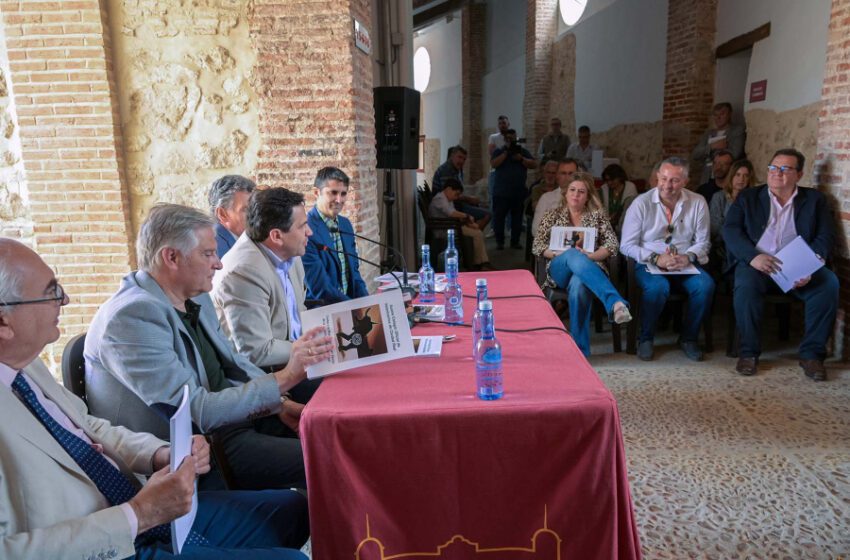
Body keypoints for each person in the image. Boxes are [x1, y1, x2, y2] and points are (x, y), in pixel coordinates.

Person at [0, 238, 310, 559]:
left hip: (135, 504)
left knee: (295, 509)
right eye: (51, 292)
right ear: (3, 321)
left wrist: (159, 453)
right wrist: (138, 514)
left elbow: (89, 428)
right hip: (101, 540)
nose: (64, 299)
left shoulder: (26, 365)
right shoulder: (134, 313)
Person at [85, 203, 334, 492]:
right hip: (201, 449)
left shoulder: (194, 295)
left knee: (333, 432)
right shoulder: (132, 317)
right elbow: (197, 411)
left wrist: (279, 403)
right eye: (208, 254)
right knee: (329, 458)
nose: (218, 263)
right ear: (172, 257)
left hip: (233, 420)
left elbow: (233, 363)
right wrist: (286, 377)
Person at [723, 149, 838, 380]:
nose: (777, 173)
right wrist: (753, 257)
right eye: (773, 168)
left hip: (797, 264)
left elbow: (825, 237)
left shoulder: (814, 200)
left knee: (828, 284)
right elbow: (731, 230)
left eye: (785, 169)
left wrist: (808, 266)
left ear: (799, 174)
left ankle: (812, 355)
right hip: (757, 264)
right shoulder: (749, 197)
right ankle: (749, 352)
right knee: (745, 286)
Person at [213, 187, 324, 411]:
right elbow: (256, 351)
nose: (310, 232)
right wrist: (313, 349)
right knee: (340, 395)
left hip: (292, 361)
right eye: (302, 226)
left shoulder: (291, 253)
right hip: (263, 378)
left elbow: (297, 313)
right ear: (276, 236)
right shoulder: (243, 271)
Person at [620, 156, 715, 362]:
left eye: (674, 180)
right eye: (663, 179)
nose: (667, 185)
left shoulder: (698, 202)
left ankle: (688, 338)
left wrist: (688, 256)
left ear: (685, 181)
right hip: (649, 262)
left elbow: (703, 242)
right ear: (657, 177)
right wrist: (656, 258)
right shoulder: (641, 203)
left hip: (684, 263)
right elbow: (626, 245)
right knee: (657, 287)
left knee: (705, 285)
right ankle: (646, 338)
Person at [532, 172, 631, 356]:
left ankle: (580, 351)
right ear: (566, 193)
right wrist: (556, 253)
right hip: (559, 268)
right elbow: (537, 246)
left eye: (581, 191)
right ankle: (615, 302)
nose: (576, 195)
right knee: (571, 253)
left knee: (579, 285)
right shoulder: (551, 215)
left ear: (588, 196)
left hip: (587, 270)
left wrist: (590, 256)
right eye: (572, 190)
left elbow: (612, 245)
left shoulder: (597, 216)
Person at [300, 167, 368, 305]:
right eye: (333, 192)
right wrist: (354, 308)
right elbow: (321, 288)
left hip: (349, 306)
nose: (339, 200)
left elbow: (354, 274)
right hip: (323, 309)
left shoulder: (345, 224)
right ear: (316, 193)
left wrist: (369, 304)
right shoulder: (306, 230)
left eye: (343, 194)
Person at [429, 178, 491, 269]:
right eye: (456, 194)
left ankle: (481, 262)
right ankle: (479, 263)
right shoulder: (440, 199)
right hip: (445, 229)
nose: (457, 197)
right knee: (477, 234)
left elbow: (454, 214)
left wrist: (468, 222)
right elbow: (451, 213)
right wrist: (466, 216)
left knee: (477, 231)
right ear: (448, 189)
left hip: (450, 225)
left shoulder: (447, 199)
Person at [491, 128, 537, 250]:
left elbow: (534, 164)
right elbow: (494, 164)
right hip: (501, 192)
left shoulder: (522, 152)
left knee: (517, 218)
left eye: (512, 138)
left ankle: (515, 241)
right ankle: (499, 242)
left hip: (518, 192)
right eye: (508, 139)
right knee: (499, 218)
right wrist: (506, 153)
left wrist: (521, 159)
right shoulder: (499, 151)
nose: (510, 141)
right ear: (504, 139)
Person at [709, 159, 756, 270]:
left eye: (745, 176)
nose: (741, 179)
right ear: (731, 176)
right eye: (737, 175)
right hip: (723, 244)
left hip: (746, 244)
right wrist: (735, 238)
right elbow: (715, 227)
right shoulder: (719, 197)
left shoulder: (752, 199)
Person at [431, 146, 491, 227]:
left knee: (477, 205)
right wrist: (469, 199)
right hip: (449, 206)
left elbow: (456, 192)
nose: (462, 161)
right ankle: (471, 232)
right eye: (459, 157)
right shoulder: (446, 170)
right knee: (487, 214)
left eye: (464, 159)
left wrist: (469, 199)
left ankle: (471, 231)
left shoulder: (455, 169)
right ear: (452, 156)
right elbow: (450, 195)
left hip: (453, 204)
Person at [691, 102, 746, 184]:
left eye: (722, 114)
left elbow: (735, 153)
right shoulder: (708, 133)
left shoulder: (737, 131)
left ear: (729, 114)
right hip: (708, 175)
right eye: (715, 115)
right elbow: (695, 154)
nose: (718, 118)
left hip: (727, 176)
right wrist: (712, 146)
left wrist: (708, 153)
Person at [208, 174, 255, 258]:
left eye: (255, 208)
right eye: (246, 209)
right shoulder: (215, 248)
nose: (255, 214)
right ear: (222, 214)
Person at [532, 158, 580, 236]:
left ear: (577, 176)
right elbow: (536, 230)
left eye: (571, 173)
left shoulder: (588, 198)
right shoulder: (546, 199)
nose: (567, 178)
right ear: (557, 175)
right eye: (563, 173)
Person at [599, 163, 639, 232]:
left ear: (620, 177)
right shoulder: (604, 189)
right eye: (607, 180)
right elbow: (599, 208)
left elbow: (631, 209)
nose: (609, 183)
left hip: (625, 225)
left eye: (612, 180)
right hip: (606, 226)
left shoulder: (630, 187)